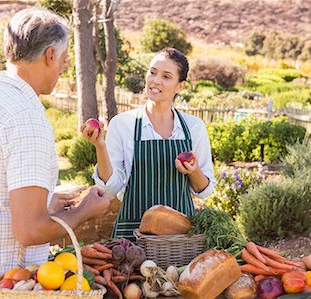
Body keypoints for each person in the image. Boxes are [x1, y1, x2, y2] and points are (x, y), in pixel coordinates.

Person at [0, 8, 110, 299]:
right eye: (63, 58)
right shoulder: (26, 118)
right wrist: (86, 211)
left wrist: (47, 201)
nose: (63, 66)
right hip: (5, 289)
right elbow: (30, 231)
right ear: (50, 55)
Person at [81, 48, 216, 240]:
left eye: (166, 76)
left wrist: (193, 171)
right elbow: (109, 189)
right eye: (152, 72)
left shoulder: (194, 127)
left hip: (179, 237)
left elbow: (204, 191)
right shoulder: (123, 124)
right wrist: (100, 147)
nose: (155, 80)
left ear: (180, 86)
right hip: (132, 234)